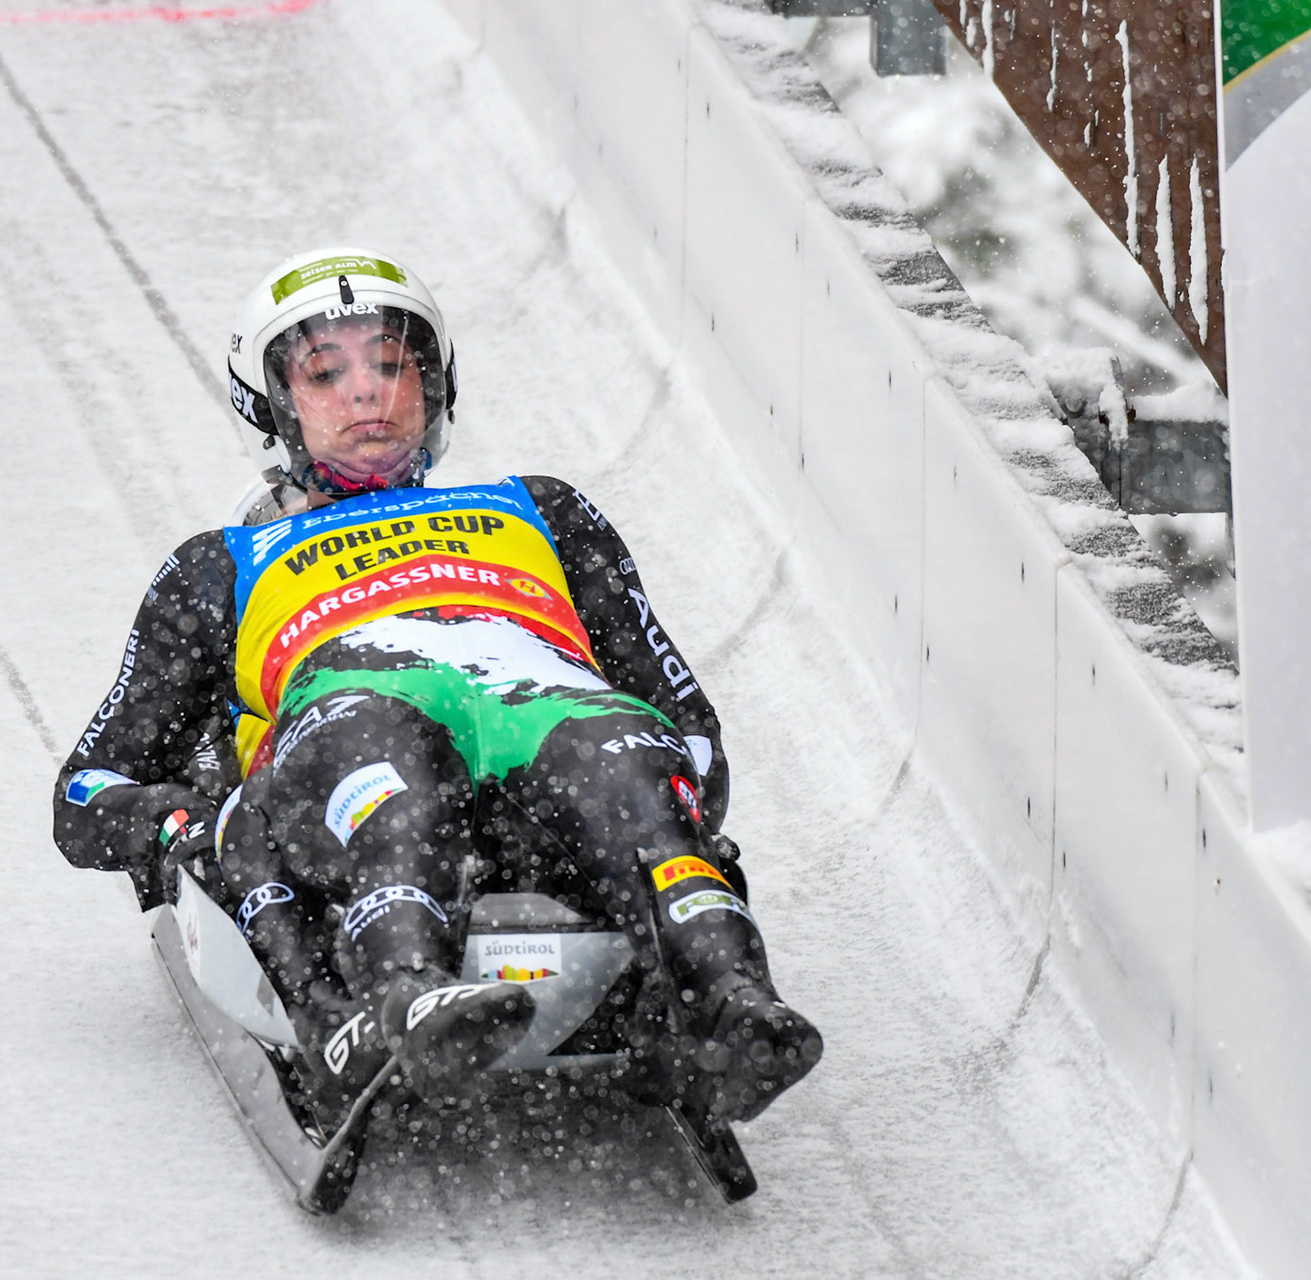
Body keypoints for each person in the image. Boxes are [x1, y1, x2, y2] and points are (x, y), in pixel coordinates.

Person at [51, 247, 819, 1140]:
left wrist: (666, 798)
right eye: (326, 373)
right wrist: (189, 823)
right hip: (358, 740)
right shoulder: (218, 568)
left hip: (540, 723)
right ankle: (409, 991)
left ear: (435, 385)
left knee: (618, 746)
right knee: (376, 741)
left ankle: (727, 1000)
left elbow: (685, 725)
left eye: (390, 364)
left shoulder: (541, 509)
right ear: (275, 409)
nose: (367, 395)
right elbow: (84, 793)